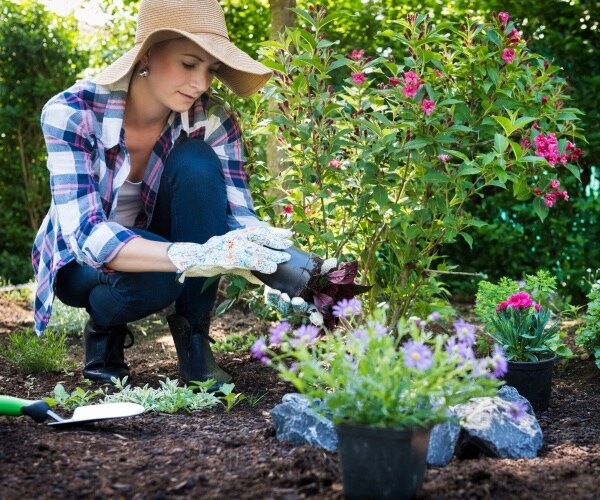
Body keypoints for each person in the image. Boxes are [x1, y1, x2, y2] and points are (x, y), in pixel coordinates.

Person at [32, 0, 303, 391]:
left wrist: (292, 271)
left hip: (159, 240)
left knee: (195, 160)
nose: (202, 84)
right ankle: (105, 327)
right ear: (145, 55)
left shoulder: (212, 120)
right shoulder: (71, 113)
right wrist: (188, 255)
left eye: (210, 70)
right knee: (163, 279)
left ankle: (194, 338)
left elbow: (240, 218)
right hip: (79, 260)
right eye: (189, 64)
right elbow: (87, 234)